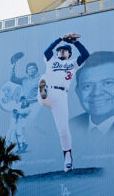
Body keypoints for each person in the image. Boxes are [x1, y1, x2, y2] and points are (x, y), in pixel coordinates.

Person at [38, 33, 90, 172]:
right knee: (43, 78)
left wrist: (75, 42)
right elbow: (47, 51)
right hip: (49, 92)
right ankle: (43, 91)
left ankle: (68, 158)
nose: (61, 51)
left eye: (64, 50)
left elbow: (85, 55)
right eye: (60, 50)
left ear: (69, 53)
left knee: (63, 130)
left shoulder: (72, 63)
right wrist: (60, 39)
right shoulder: (51, 60)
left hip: (61, 96)